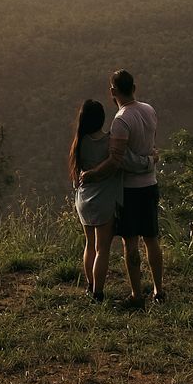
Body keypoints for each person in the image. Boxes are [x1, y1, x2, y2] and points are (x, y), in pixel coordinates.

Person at [78, 68, 164, 304]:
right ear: (134, 88)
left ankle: (136, 295)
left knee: (131, 243)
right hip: (151, 184)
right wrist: (151, 160)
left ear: (112, 91)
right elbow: (149, 145)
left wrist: (93, 174)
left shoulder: (121, 120)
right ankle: (158, 290)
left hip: (131, 189)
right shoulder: (149, 110)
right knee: (152, 239)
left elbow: (118, 159)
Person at [70, 98, 120, 299]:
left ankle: (90, 286)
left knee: (89, 245)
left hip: (83, 199)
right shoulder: (109, 141)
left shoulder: (79, 141)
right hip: (103, 200)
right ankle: (98, 293)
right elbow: (116, 163)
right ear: (102, 119)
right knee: (102, 249)